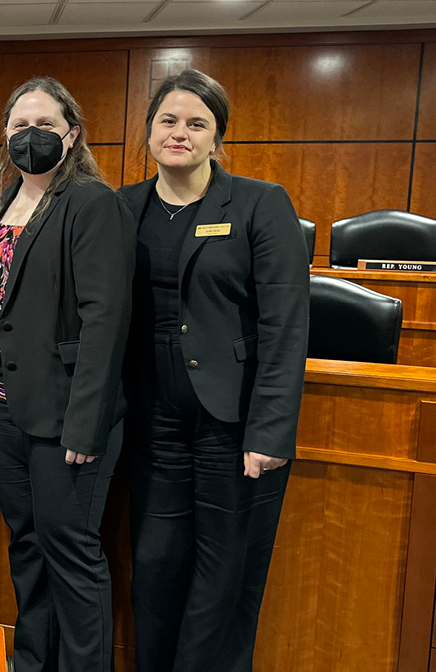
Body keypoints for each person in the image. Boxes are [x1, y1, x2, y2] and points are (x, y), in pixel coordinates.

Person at [118, 69, 309, 672]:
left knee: (223, 569)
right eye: (168, 121)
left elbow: (286, 324)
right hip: (151, 420)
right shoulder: (123, 207)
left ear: (217, 138)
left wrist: (270, 430)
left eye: (196, 123)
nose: (180, 133)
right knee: (154, 561)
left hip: (231, 422)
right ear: (148, 132)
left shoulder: (260, 202)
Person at [0, 77, 135, 671]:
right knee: (29, 546)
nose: (30, 136)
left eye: (44, 125)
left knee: (71, 550)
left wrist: (85, 425)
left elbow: (106, 320)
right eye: (19, 126)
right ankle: (34, 662)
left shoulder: (93, 203)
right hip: (1, 404)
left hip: (67, 413)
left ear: (71, 135)